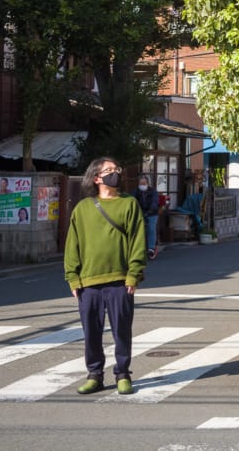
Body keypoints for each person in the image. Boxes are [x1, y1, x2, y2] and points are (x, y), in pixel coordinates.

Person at [64, 157, 147, 396]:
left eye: (117, 170)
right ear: (97, 178)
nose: (116, 174)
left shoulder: (129, 204)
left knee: (122, 329)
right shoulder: (83, 208)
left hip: (120, 280)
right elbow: (73, 245)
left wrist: (134, 275)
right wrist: (73, 277)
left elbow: (138, 241)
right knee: (91, 331)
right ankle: (94, 375)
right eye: (109, 170)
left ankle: (123, 374)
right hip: (88, 282)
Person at [134, 174, 160, 260]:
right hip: (140, 212)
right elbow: (132, 200)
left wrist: (150, 211)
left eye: (144, 183)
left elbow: (154, 202)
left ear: (148, 183)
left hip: (152, 213)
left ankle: (151, 248)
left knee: (151, 228)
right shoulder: (136, 191)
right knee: (136, 229)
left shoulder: (153, 191)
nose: (142, 185)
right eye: (141, 183)